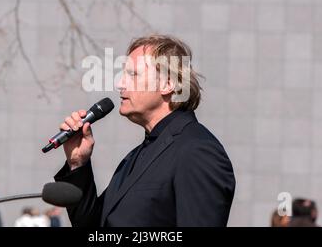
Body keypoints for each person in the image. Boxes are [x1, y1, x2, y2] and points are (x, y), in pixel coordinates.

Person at [53, 34, 236, 227]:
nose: (120, 83)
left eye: (133, 74)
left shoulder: (197, 151)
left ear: (168, 83)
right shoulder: (137, 155)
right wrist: (78, 164)